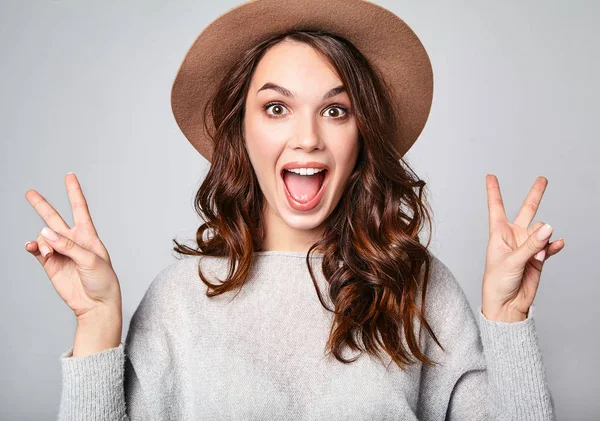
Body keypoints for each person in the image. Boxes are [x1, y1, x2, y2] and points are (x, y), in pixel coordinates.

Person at [24, 0, 563, 419]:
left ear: (362, 138)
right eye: (277, 108)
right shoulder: (176, 302)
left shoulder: (418, 288)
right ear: (241, 129)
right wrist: (96, 323)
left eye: (335, 109)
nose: (307, 138)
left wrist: (508, 316)